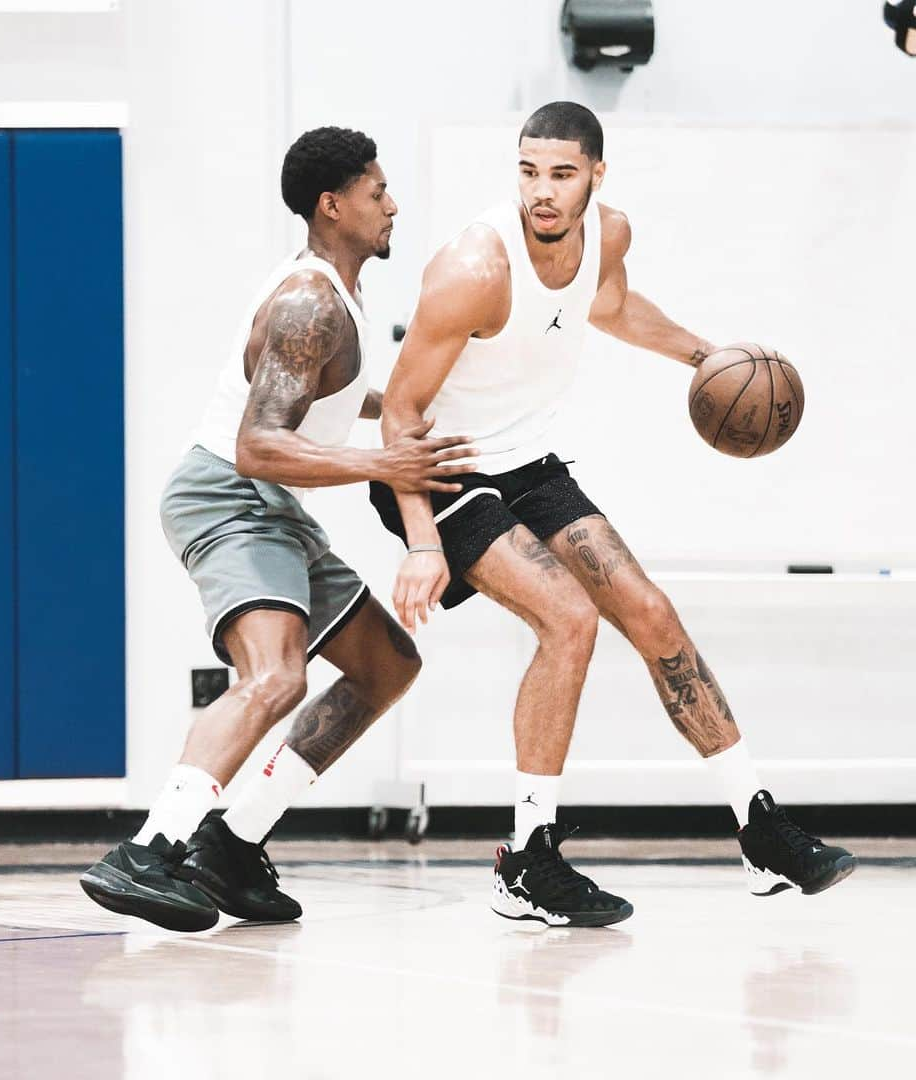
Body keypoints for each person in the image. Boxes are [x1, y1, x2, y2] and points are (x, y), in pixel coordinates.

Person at [371, 101, 855, 928]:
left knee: (651, 614)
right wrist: (422, 542)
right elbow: (398, 419)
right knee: (569, 620)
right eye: (528, 172)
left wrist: (704, 355)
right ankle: (526, 862)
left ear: (597, 174)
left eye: (561, 174)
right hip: (446, 470)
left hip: (528, 460)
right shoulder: (472, 268)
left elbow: (612, 306)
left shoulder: (609, 235)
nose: (542, 193)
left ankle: (759, 828)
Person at [81, 127, 475, 932]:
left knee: (387, 664)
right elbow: (257, 443)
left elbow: (319, 396)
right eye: (376, 193)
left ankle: (234, 840)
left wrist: (403, 409)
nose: (392, 204)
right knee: (277, 677)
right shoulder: (309, 302)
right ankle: (150, 850)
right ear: (333, 205)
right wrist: (384, 464)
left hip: (273, 504)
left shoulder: (341, 297)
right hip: (228, 494)